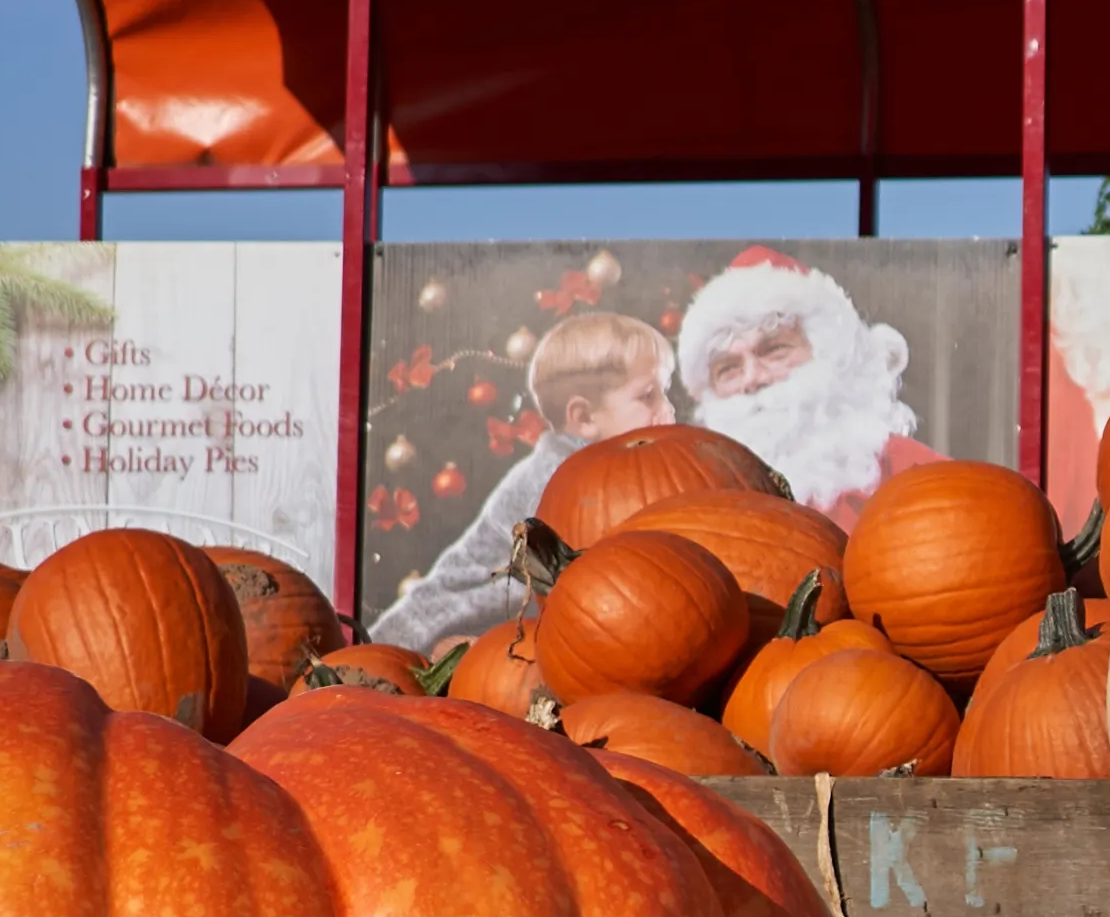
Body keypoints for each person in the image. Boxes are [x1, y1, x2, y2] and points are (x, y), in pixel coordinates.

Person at [366, 307, 675, 649]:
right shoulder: (558, 479)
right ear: (584, 418)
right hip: (451, 621)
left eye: (666, 390)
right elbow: (582, 581)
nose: (668, 408)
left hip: (516, 616)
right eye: (649, 395)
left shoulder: (605, 467)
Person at [674, 250, 944, 519]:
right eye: (728, 369)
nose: (753, 379)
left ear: (830, 354)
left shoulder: (920, 476)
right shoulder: (692, 498)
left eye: (774, 350)